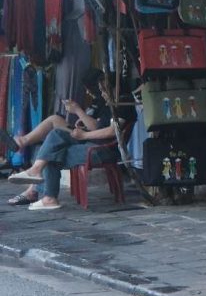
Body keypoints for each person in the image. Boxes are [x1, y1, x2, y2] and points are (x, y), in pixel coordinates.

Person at [5, 70, 126, 209]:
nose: (102, 93)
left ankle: (41, 192)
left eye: (104, 90)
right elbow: (96, 125)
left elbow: (112, 130)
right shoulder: (105, 103)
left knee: (51, 154)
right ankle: (39, 183)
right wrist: (82, 124)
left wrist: (83, 128)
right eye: (101, 90)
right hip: (90, 142)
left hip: (101, 150)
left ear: (115, 88)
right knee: (55, 136)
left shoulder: (122, 104)